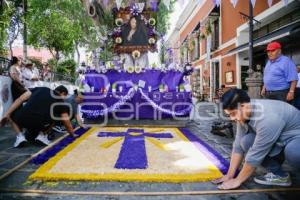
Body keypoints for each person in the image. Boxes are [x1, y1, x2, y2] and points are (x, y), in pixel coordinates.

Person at [212, 88, 300, 190]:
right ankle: (280, 176)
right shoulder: (245, 112)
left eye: (233, 113)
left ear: (244, 106)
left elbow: (256, 154)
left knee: (294, 152)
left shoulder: (267, 118)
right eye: (229, 115)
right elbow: (237, 146)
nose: (232, 118)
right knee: (245, 141)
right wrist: (230, 175)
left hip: (296, 138)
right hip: (279, 139)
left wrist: (238, 180)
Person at [0, 86, 77, 147]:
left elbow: (20, 99)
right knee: (57, 115)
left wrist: (7, 114)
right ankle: (42, 135)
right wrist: (72, 134)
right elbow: (66, 120)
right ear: (62, 93)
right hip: (41, 124)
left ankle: (20, 136)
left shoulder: (40, 88)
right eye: (65, 96)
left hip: (22, 120)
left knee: (12, 112)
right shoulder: (60, 101)